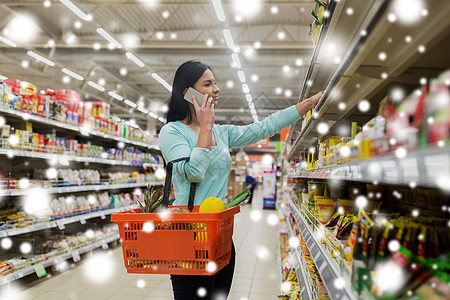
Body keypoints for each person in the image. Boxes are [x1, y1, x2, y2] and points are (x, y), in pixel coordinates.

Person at [158, 60, 323, 300]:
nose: (217, 89)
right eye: (208, 83)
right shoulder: (172, 132)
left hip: (222, 237)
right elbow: (193, 171)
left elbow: (263, 128)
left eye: (215, 82)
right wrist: (205, 126)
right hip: (189, 239)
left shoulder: (221, 133)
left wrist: (308, 104)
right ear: (188, 93)